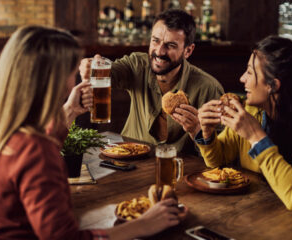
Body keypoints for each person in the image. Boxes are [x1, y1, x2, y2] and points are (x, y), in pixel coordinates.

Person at [0, 25, 185, 240]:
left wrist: (70, 110)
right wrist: (143, 225)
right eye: (73, 73)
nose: (74, 81)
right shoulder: (37, 151)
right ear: (52, 81)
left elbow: (30, 153)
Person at [79, 9, 224, 153]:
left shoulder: (209, 88)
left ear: (188, 51)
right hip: (127, 161)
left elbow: (220, 153)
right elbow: (111, 72)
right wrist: (91, 67)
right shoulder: (137, 65)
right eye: (155, 41)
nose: (159, 51)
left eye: (171, 45)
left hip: (178, 169)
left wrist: (197, 131)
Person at [196, 35, 292, 211]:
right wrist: (206, 133)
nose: (242, 78)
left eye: (250, 72)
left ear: (273, 86)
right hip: (255, 211)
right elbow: (218, 161)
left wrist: (256, 137)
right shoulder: (250, 111)